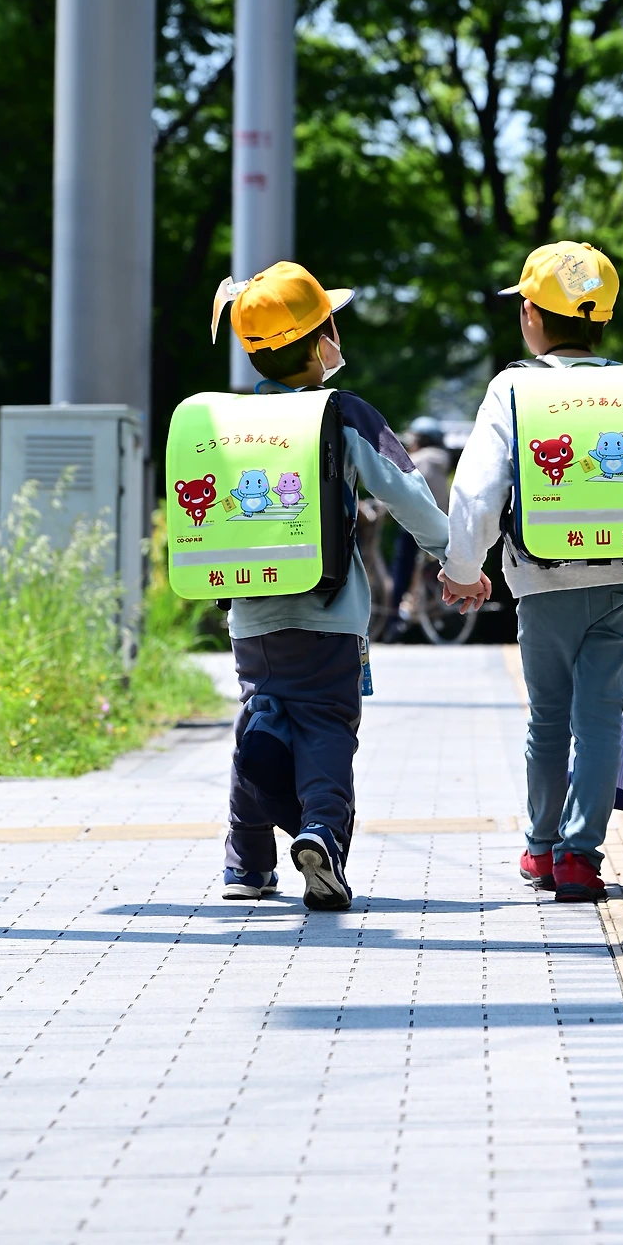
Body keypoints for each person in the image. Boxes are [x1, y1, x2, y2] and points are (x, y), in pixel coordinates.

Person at [438, 241, 623, 905]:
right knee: (599, 719)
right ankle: (580, 857)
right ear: (602, 319)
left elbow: (479, 489)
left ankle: (542, 848)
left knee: (548, 719)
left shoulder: (514, 386)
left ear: (532, 317)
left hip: (543, 581)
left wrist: (463, 568)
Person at [217, 262, 451, 912]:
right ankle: (321, 834)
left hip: (251, 615)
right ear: (321, 341)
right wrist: (455, 559)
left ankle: (247, 863)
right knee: (325, 724)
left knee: (261, 717)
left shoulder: (230, 422)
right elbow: (406, 492)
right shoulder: (342, 412)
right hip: (329, 614)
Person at [386, 417, 453, 637]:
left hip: (414, 523)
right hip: (441, 523)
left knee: (401, 568)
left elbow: (398, 487)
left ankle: (393, 619)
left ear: (421, 439)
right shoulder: (441, 459)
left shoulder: (417, 460)